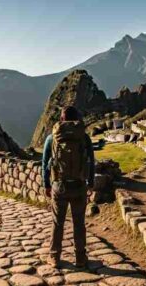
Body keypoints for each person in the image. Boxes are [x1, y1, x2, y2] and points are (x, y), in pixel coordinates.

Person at [42, 106, 95, 268]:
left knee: (58, 222)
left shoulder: (52, 138)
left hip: (59, 185)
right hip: (79, 185)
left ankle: (55, 257)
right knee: (79, 223)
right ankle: (80, 257)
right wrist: (90, 184)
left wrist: (46, 185)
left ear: (62, 119)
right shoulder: (84, 138)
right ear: (77, 119)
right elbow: (91, 162)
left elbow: (45, 163)